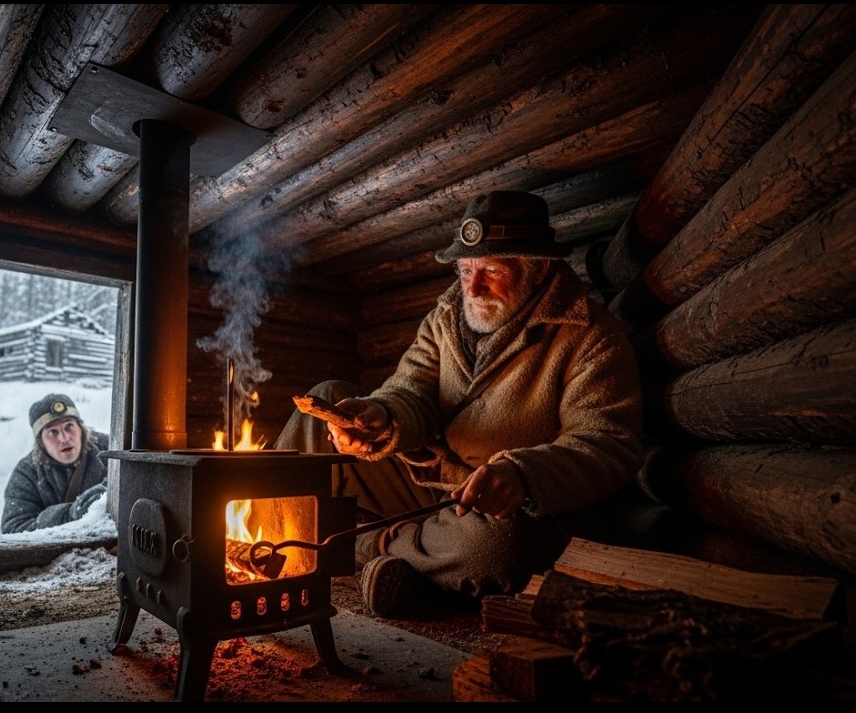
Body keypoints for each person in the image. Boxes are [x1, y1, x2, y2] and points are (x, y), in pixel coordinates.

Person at [275, 189, 644, 618]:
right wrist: (382, 416)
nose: (472, 285)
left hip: (505, 511)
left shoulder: (590, 334)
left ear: (539, 268)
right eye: (465, 268)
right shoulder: (447, 317)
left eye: (490, 269)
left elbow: (608, 442)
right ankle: (311, 544)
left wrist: (522, 473)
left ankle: (355, 547)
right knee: (326, 400)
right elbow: (412, 390)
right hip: (430, 488)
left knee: (495, 546)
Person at [1, 393, 111, 534]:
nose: (64, 438)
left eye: (69, 426)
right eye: (52, 432)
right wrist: (68, 515)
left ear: (81, 428)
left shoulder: (109, 448)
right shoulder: (26, 473)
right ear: (41, 442)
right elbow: (13, 531)